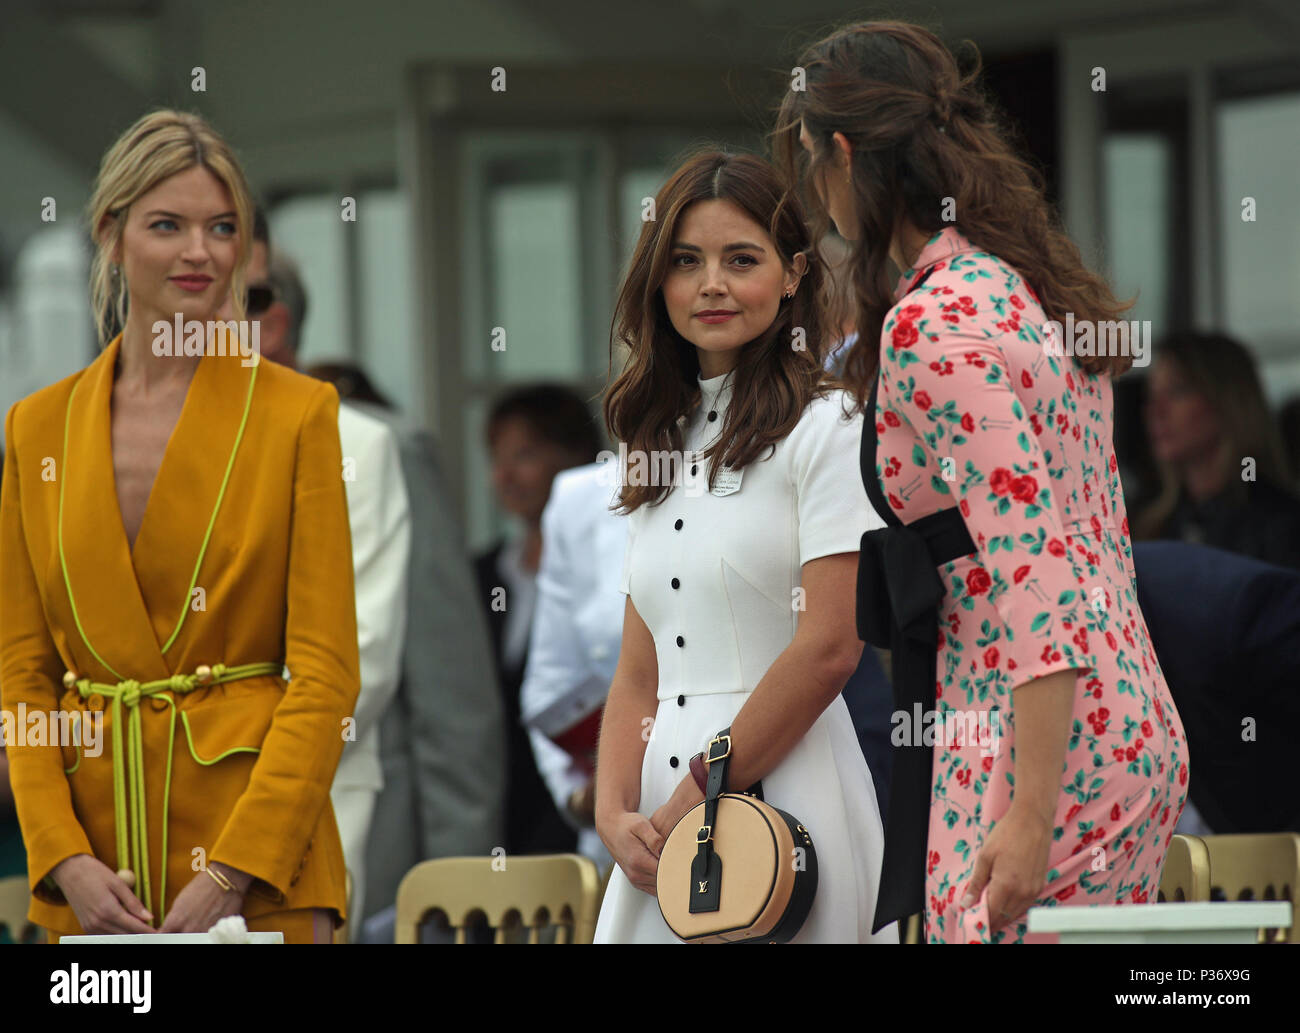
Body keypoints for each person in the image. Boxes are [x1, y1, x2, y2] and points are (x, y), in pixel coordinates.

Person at [777, 20, 1188, 942]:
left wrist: (1031, 808)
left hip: (1027, 745)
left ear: (844, 151)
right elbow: (1092, 538)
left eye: (810, 159)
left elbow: (1032, 576)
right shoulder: (1026, 288)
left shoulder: (931, 323)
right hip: (1126, 717)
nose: (815, 187)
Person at [0, 109, 359, 943]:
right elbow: (22, 675)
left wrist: (235, 870)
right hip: (96, 882)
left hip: (259, 869)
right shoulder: (36, 427)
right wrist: (60, 858)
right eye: (168, 225)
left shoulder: (298, 413)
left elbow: (326, 674)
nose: (200, 251)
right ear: (110, 234)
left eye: (221, 227)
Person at [594, 150, 894, 944]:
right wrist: (612, 810)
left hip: (790, 797)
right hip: (659, 826)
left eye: (741, 259)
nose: (712, 284)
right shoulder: (657, 438)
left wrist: (700, 790)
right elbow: (637, 673)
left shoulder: (830, 428)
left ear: (794, 274)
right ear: (658, 281)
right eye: (686, 261)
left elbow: (831, 646)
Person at [216, 226, 411, 942]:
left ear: (276, 318)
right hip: (156, 794)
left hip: (313, 797)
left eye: (248, 296)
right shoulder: (123, 438)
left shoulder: (359, 443)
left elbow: (364, 653)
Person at [473, 385, 602, 857]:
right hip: (500, 811)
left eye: (524, 455)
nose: (504, 476)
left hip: (582, 809)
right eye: (496, 458)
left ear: (575, 457)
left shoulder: (609, 569)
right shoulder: (482, 574)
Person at [520, 460, 625, 867]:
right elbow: (551, 682)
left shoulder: (781, 457)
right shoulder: (580, 496)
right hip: (618, 828)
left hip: (749, 795)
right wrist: (583, 796)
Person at [1135, 331, 1300, 570]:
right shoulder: (1150, 525)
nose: (1156, 411)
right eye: (1151, 395)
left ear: (1227, 402)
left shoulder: (1279, 527)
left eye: (1177, 391)